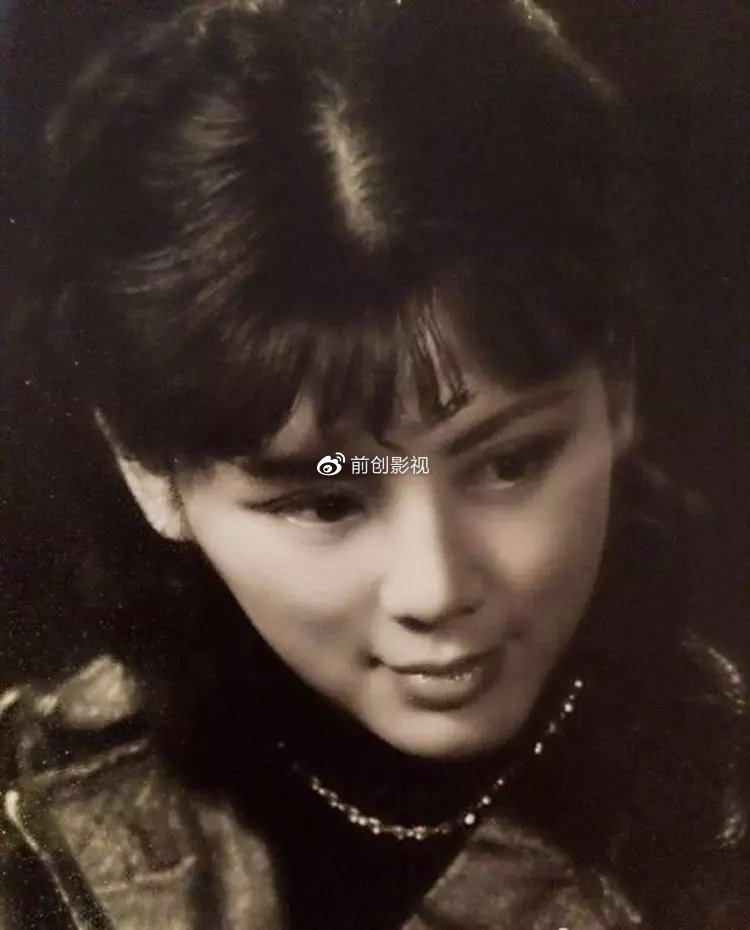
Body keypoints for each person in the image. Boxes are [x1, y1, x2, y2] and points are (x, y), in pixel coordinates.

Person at [0, 1, 748, 927]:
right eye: (326, 503)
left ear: (619, 391)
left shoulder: (720, 830)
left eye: (511, 464)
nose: (436, 589)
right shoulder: (35, 819)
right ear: (150, 472)